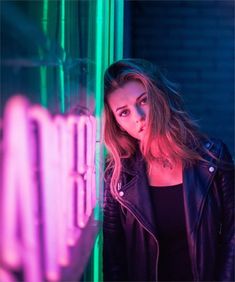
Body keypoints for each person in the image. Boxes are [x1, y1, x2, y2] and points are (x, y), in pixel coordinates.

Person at [102, 58, 234, 282]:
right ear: (117, 123)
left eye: (143, 101)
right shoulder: (118, 176)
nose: (139, 117)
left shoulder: (212, 157)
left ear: (159, 97)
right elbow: (115, 262)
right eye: (124, 113)